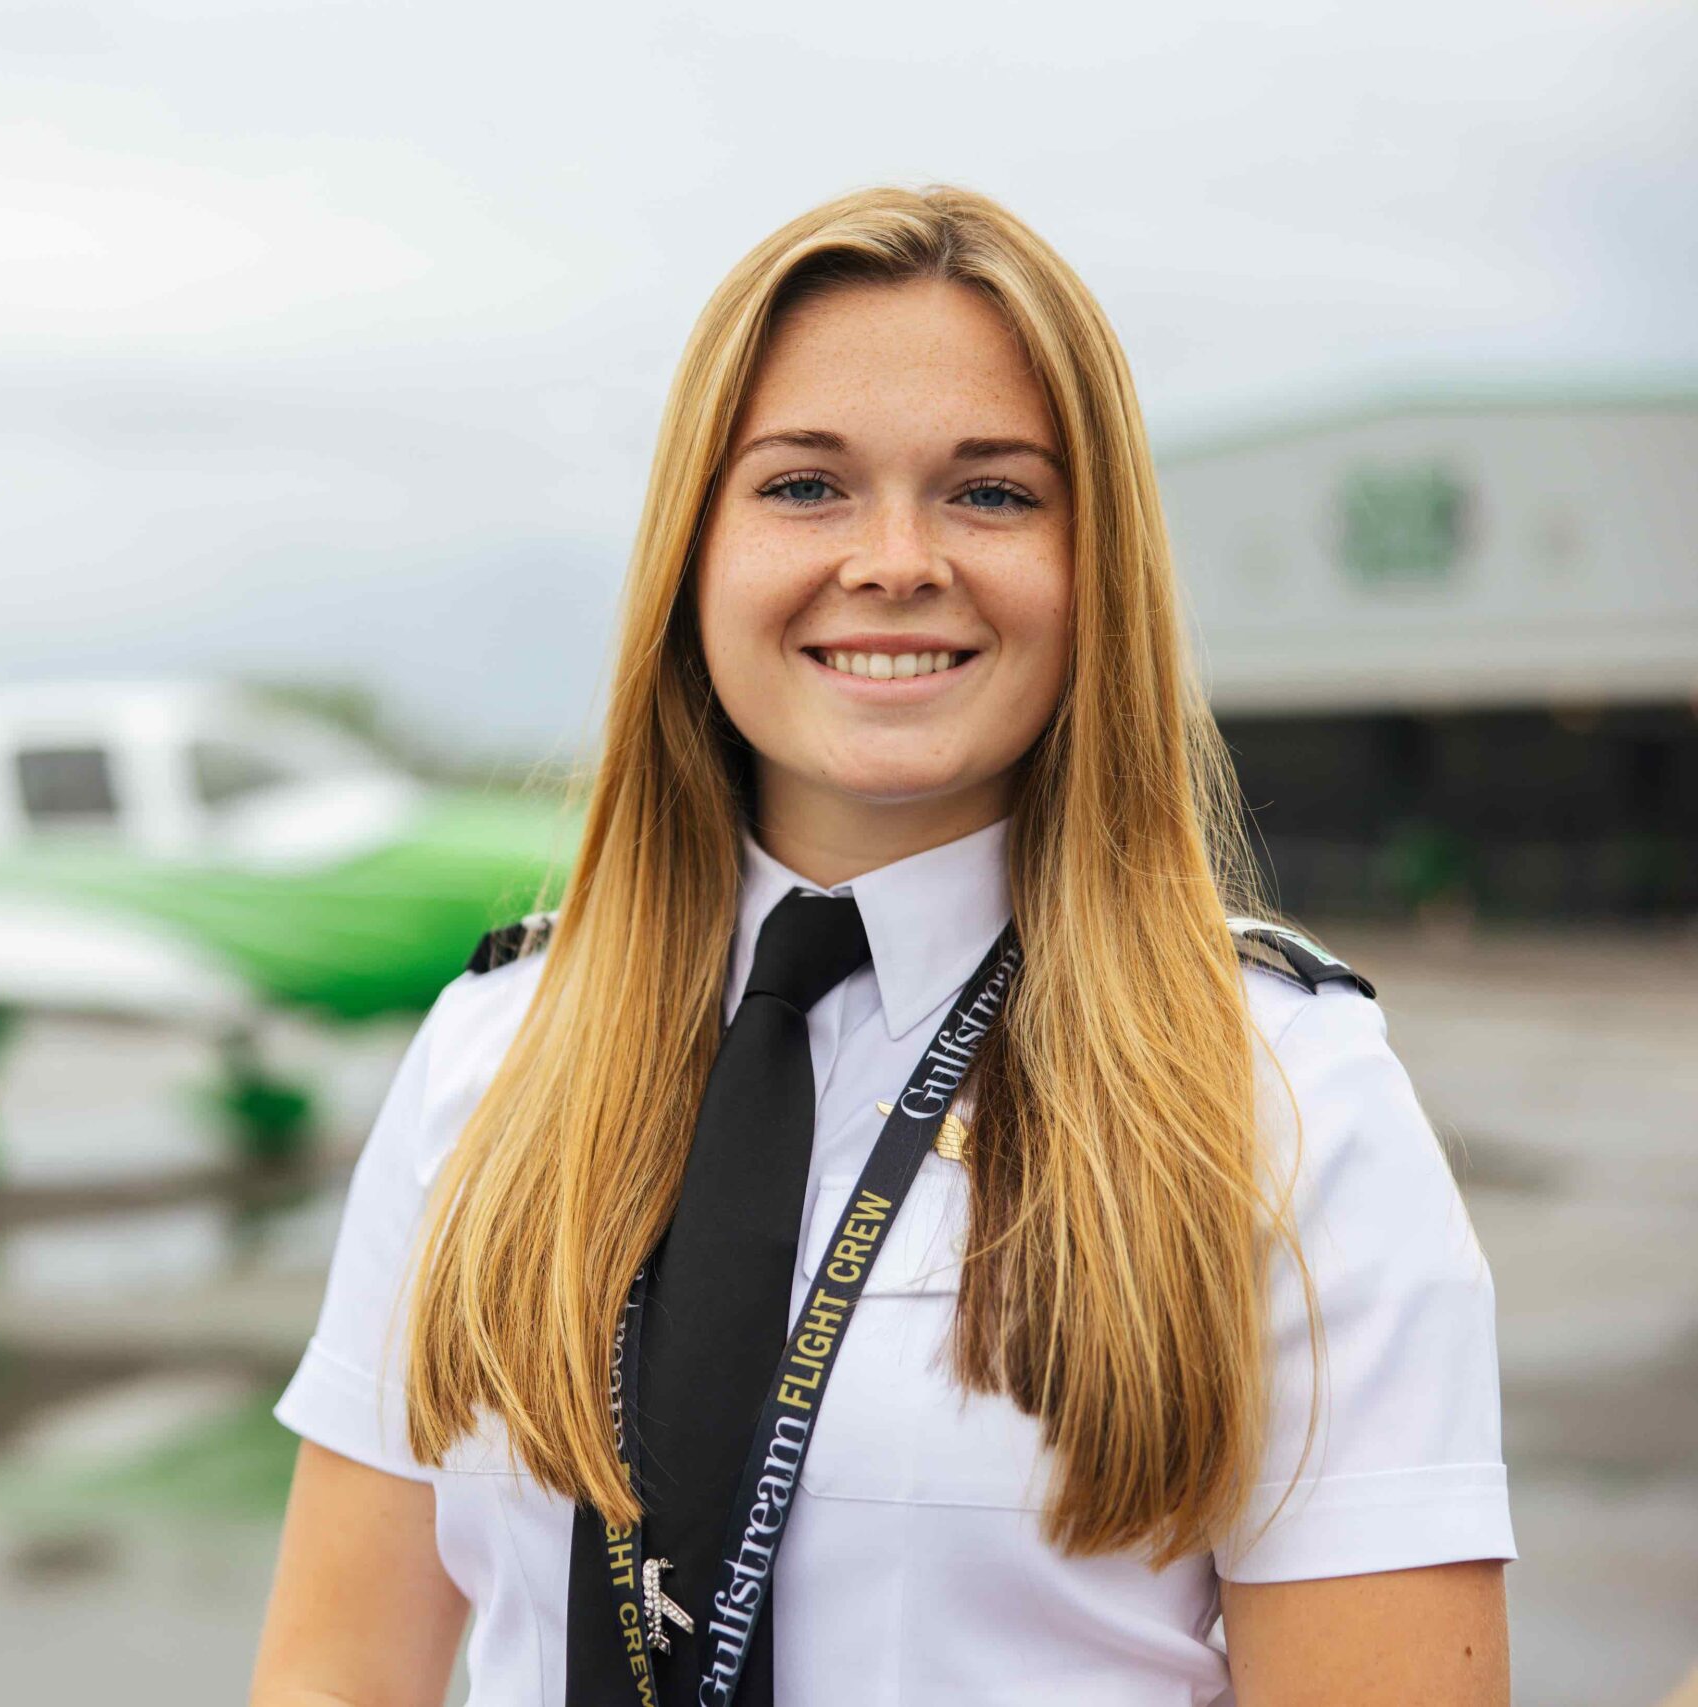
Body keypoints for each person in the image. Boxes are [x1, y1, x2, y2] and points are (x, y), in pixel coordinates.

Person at [247, 185, 1513, 1707]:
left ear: (1093, 566)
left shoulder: (1292, 1100)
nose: (897, 559)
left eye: (992, 493)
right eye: (804, 488)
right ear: (693, 553)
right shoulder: (493, 1049)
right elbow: (334, 1679)